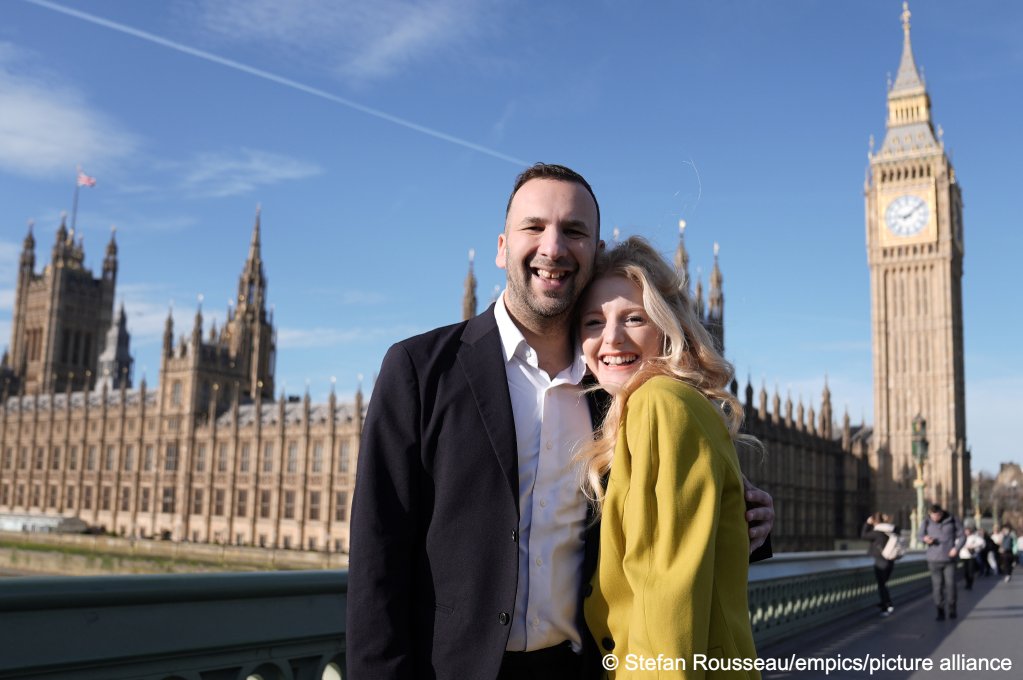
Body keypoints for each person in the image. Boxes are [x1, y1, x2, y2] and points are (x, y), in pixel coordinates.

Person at [346, 164, 775, 680]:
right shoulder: (419, 369)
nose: (553, 247)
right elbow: (378, 557)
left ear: (593, 255)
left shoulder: (621, 388)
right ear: (503, 247)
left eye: (574, 231)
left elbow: (668, 521)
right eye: (534, 227)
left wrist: (747, 518)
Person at [577, 237, 760, 678]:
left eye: (634, 318)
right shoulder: (654, 404)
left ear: (668, 325)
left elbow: (667, 604)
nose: (611, 337)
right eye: (593, 322)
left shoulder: (657, 403)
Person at [919, 503, 965, 621]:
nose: (935, 518)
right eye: (932, 516)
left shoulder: (952, 519)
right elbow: (920, 536)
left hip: (949, 558)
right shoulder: (926, 521)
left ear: (942, 513)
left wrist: (956, 548)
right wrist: (925, 539)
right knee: (937, 586)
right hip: (933, 559)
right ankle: (940, 611)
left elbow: (963, 536)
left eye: (937, 515)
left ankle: (952, 608)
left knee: (950, 585)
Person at [862, 513, 898, 615]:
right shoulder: (892, 530)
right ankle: (884, 603)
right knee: (884, 584)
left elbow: (863, 535)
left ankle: (887, 606)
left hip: (880, 561)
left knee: (882, 585)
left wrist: (867, 524)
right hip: (891, 560)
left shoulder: (877, 533)